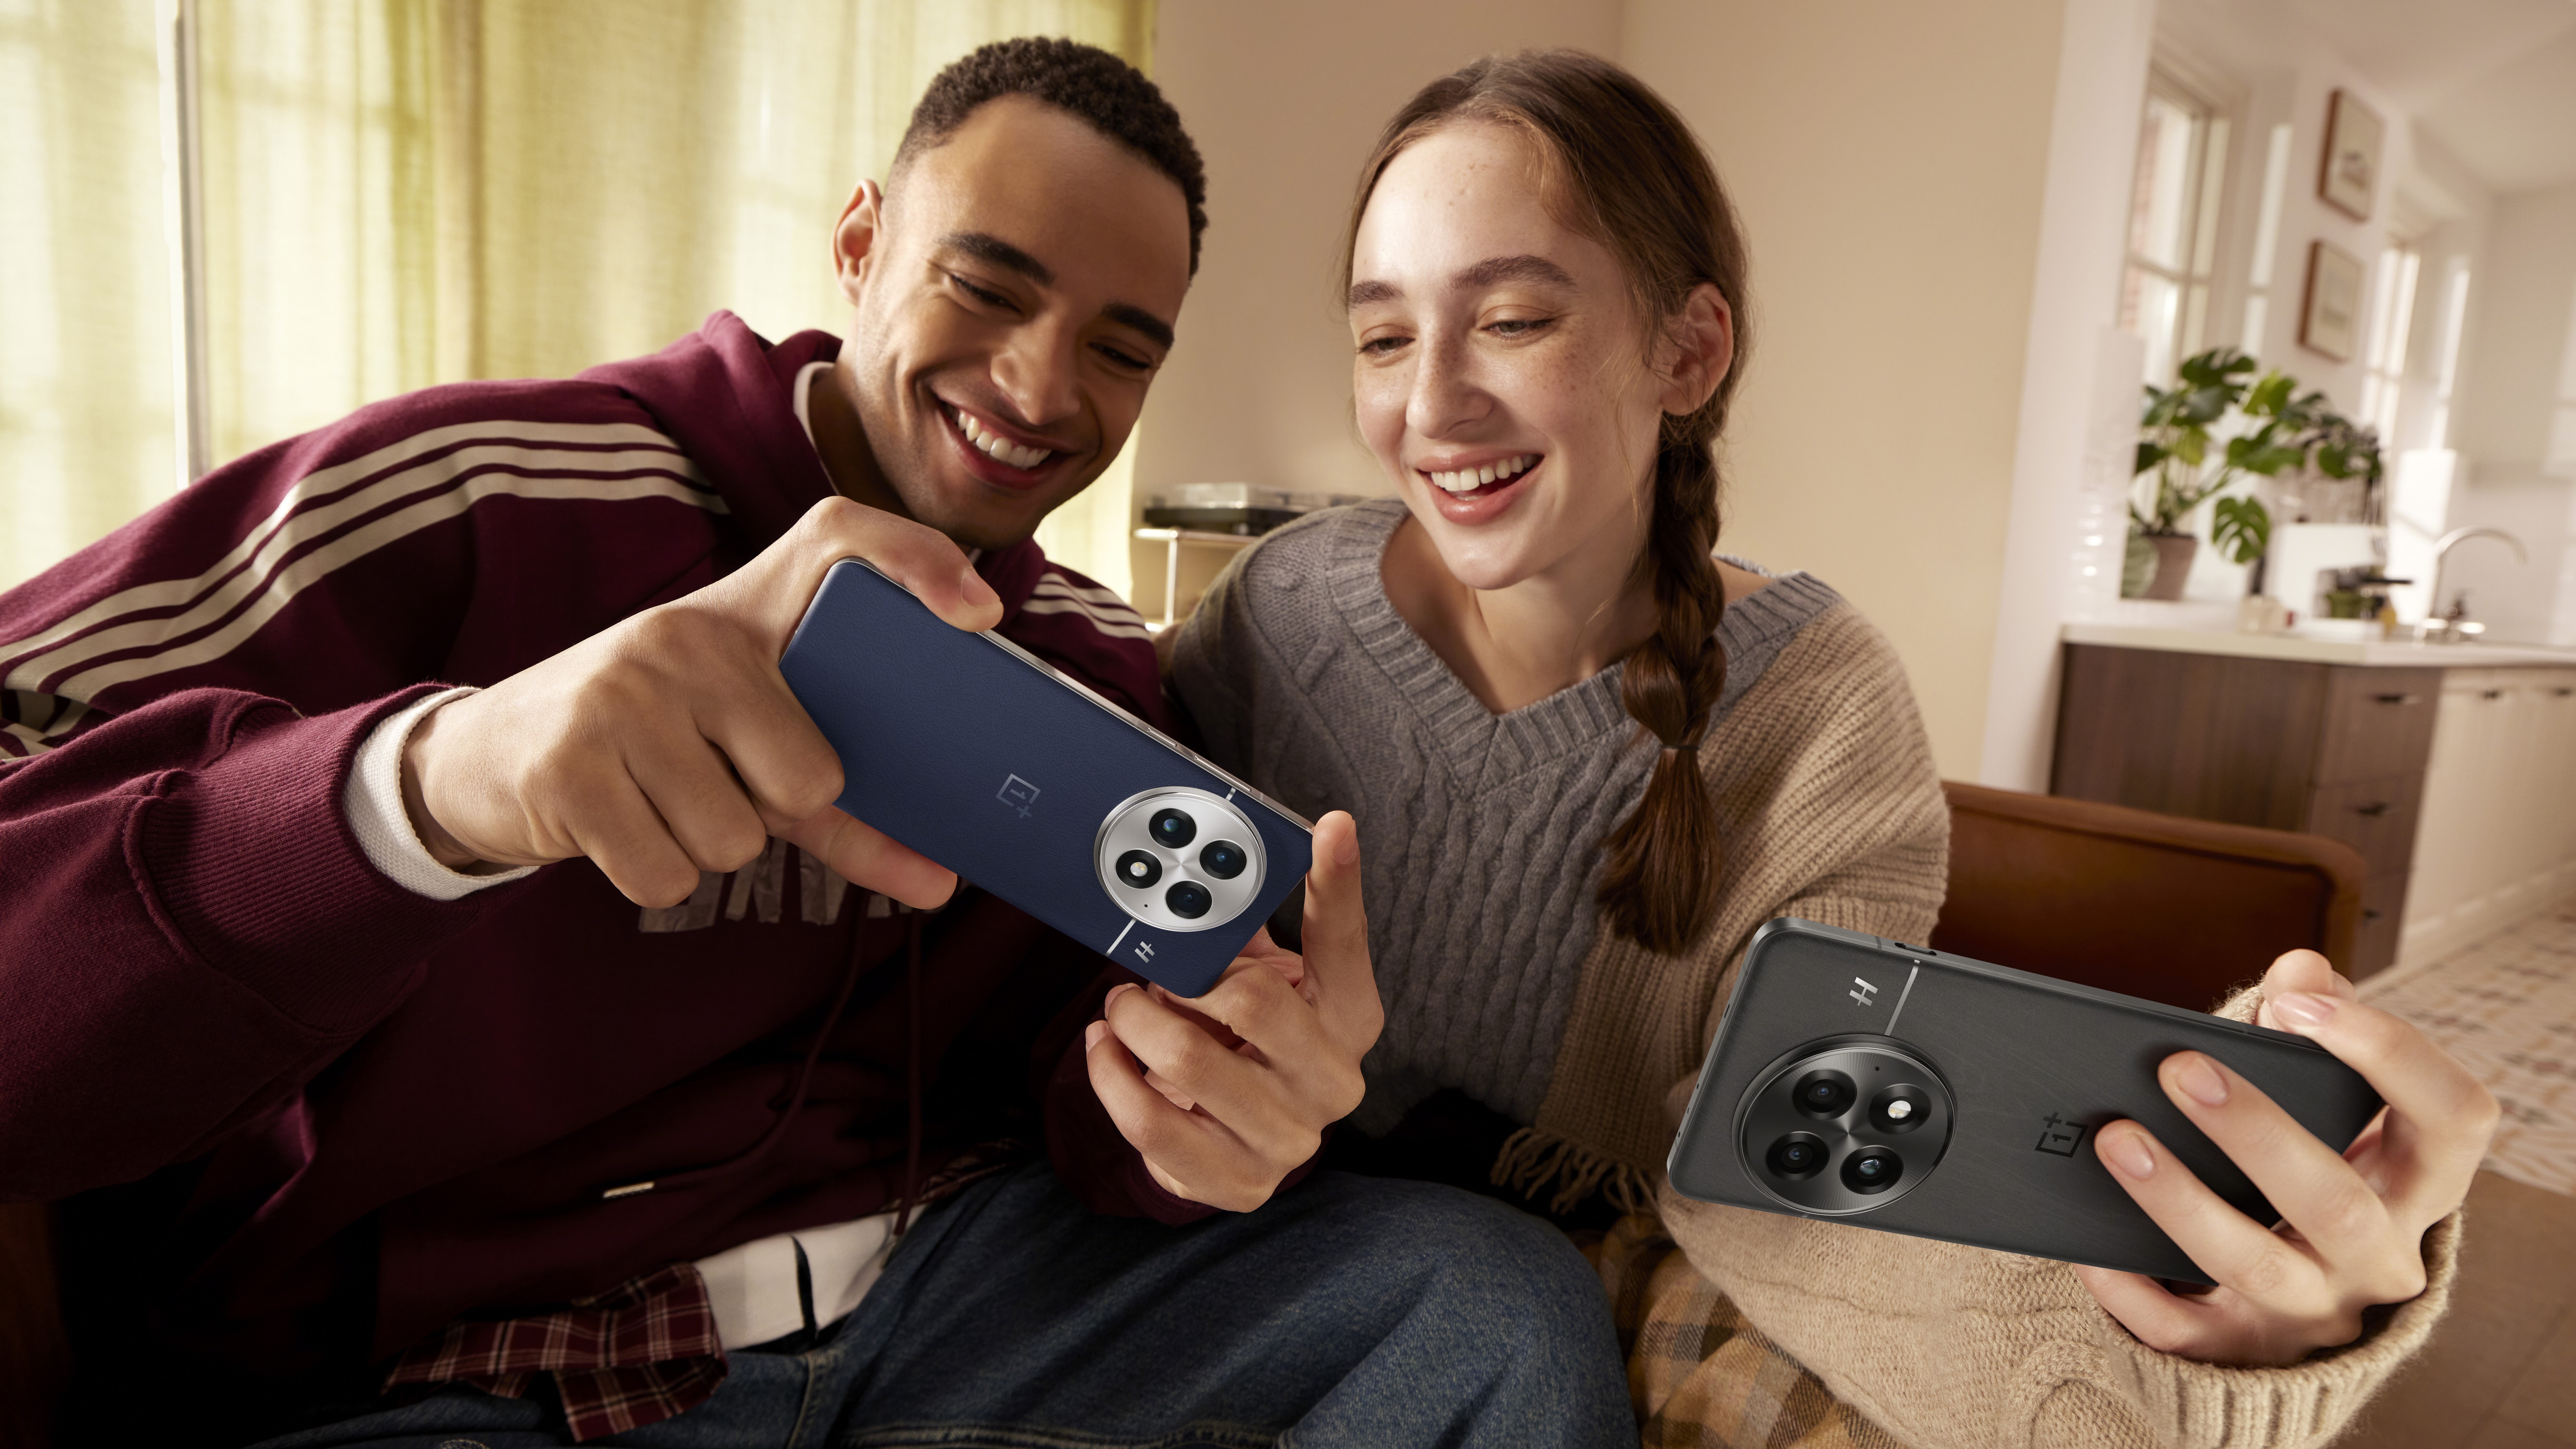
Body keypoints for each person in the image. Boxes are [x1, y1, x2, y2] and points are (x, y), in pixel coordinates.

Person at [0, 40, 1628, 1448]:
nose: (1039, 386)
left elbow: (1067, 1097)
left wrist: (1197, 1118)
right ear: (859, 243)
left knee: (1490, 1312)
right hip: (457, 1363)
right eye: (986, 287)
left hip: (946, 1299)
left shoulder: (1101, 662)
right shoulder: (488, 490)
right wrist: (440, 781)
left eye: (1124, 346)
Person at [1164, 48, 2497, 1448]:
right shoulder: (1282, 606)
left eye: (1508, 318)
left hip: (1585, 1277)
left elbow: (1814, 1207)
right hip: (1239, 1231)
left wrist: (2206, 1351)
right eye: (1382, 338)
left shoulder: (1822, 711)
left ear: (1685, 352)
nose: (1428, 404)